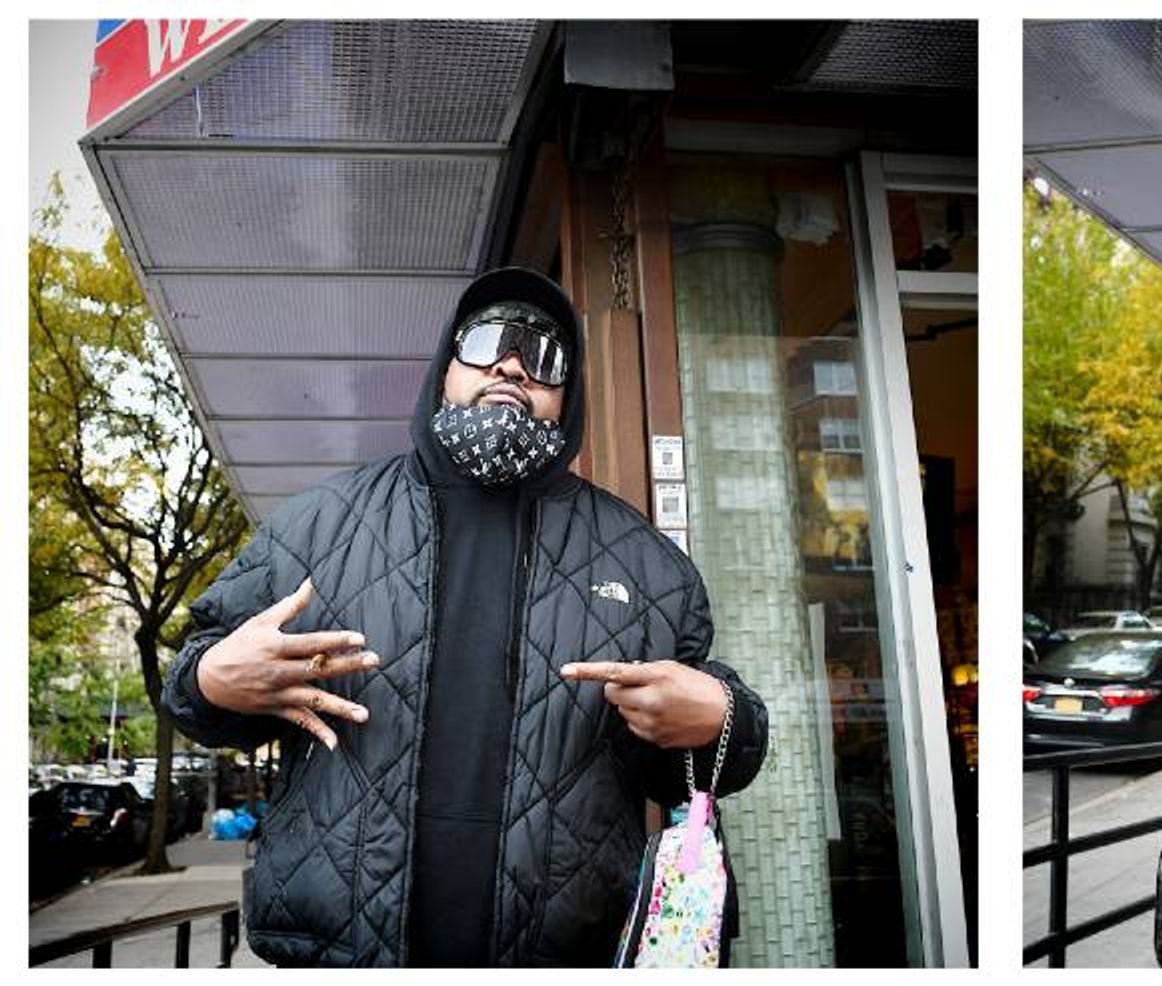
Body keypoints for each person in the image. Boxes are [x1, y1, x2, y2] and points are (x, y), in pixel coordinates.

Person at [161, 268, 768, 966]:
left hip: (564, 955)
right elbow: (192, 694)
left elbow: (696, 766)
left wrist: (726, 717)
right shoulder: (312, 529)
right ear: (446, 366)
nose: (512, 362)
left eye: (544, 355)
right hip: (335, 952)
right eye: (487, 341)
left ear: (566, 394)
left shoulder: (648, 565)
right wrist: (210, 678)